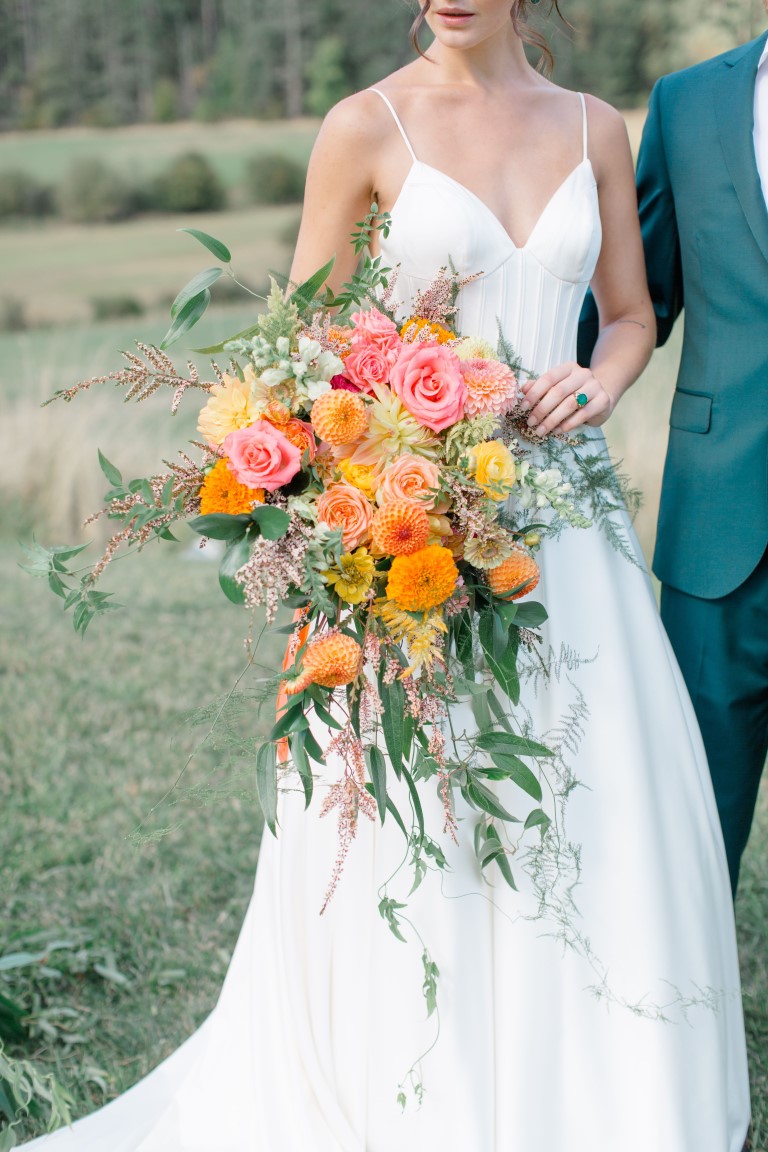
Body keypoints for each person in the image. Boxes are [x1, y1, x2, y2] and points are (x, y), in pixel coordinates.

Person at [21, 2, 750, 1149]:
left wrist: (601, 382)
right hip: (417, 527)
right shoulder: (364, 126)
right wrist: (362, 492)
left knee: (593, 795)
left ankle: (599, 1096)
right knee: (435, 806)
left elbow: (628, 315)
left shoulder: (596, 126)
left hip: (571, 528)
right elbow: (303, 354)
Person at [578, 21, 768, 897]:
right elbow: (635, 299)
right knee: (694, 820)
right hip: (720, 526)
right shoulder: (687, 103)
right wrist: (487, 398)